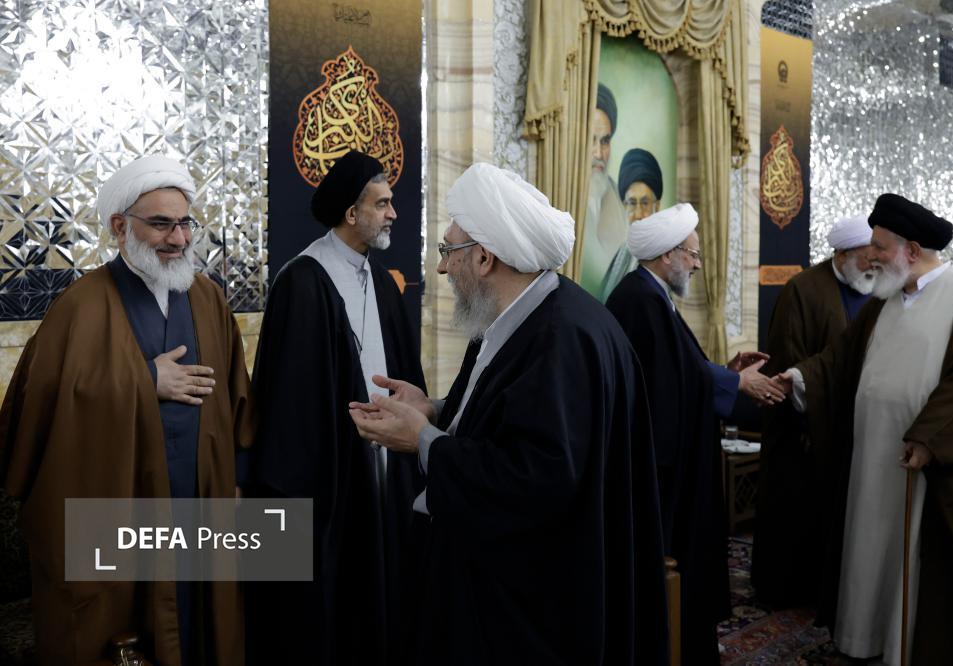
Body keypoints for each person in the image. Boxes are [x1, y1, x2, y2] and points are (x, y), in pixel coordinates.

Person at [349, 163, 669, 665]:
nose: (441, 269)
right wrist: (435, 409)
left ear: (483, 258)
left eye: (447, 251)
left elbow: (536, 479)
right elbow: (510, 411)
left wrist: (423, 440)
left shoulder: (561, 339)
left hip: (533, 613)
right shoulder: (518, 318)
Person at [0, 155, 253, 666]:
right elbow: (36, 406)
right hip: (119, 514)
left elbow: (238, 401)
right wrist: (143, 380)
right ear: (120, 227)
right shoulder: (81, 305)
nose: (179, 239)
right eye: (161, 224)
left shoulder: (208, 299)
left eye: (185, 223)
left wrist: (239, 485)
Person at [777, 193, 953, 665]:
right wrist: (797, 378)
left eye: (879, 247)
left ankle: (905, 646)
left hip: (921, 465)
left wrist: (929, 438)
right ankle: (864, 637)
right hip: (870, 460)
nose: (871, 256)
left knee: (911, 556)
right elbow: (838, 360)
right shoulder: (883, 301)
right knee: (868, 547)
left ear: (911, 251)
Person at [246, 150, 426, 666]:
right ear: (352, 213)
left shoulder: (381, 281)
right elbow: (291, 409)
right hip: (330, 483)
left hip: (383, 469)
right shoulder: (302, 281)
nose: (393, 213)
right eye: (382, 204)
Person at [604, 202, 785, 665]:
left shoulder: (652, 295)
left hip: (675, 458)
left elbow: (676, 372)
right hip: (663, 470)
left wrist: (725, 371)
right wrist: (734, 384)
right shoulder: (639, 300)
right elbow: (665, 383)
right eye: (693, 253)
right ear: (668, 254)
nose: (698, 264)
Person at [752, 213, 874, 607]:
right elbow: (790, 359)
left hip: (853, 427)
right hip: (802, 428)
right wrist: (816, 410)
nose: (872, 264)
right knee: (796, 516)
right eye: (866, 256)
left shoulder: (876, 289)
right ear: (842, 255)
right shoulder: (803, 290)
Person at [580, 83, 629, 296]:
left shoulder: (620, 199)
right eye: (591, 140)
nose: (599, 153)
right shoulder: (562, 196)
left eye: (605, 141)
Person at [598, 147, 664, 302]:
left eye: (645, 203)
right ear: (624, 206)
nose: (638, 214)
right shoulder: (622, 254)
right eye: (632, 203)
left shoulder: (666, 259)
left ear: (657, 206)